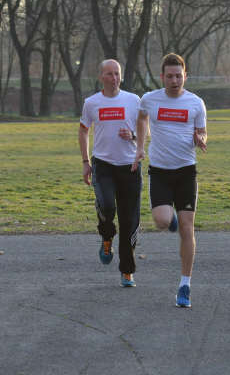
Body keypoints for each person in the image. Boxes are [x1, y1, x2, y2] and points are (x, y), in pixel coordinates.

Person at [135, 53, 207, 308]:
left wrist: (200, 139)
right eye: (170, 76)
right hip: (160, 172)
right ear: (162, 77)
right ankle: (171, 218)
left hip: (186, 172)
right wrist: (140, 146)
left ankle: (185, 284)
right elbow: (141, 118)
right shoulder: (149, 99)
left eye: (179, 76)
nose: (174, 81)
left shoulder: (196, 103)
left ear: (185, 76)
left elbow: (202, 132)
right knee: (162, 221)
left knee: (188, 228)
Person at [79, 59, 141, 287]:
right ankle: (106, 236)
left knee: (129, 221)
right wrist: (86, 162)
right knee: (106, 206)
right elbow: (83, 131)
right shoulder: (91, 103)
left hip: (130, 166)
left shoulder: (134, 100)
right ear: (100, 77)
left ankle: (127, 271)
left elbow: (146, 131)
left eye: (117, 74)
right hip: (102, 164)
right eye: (109, 74)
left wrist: (133, 136)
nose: (114, 78)